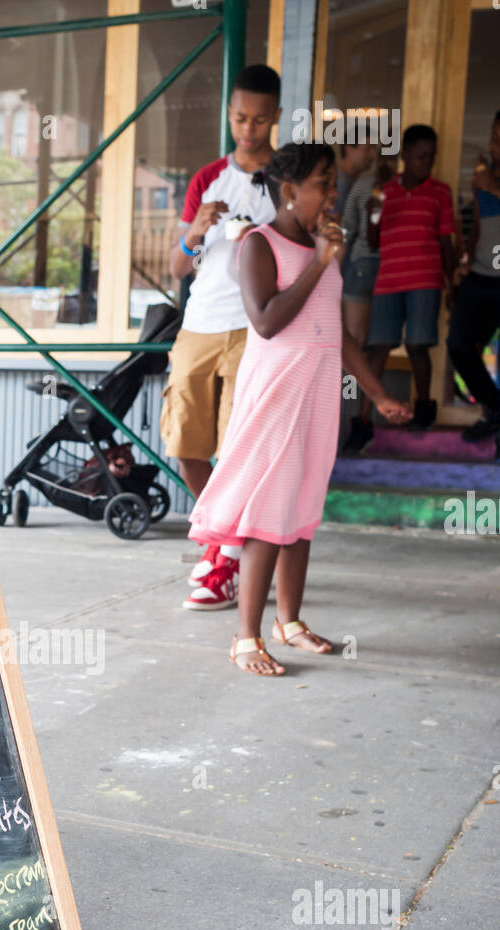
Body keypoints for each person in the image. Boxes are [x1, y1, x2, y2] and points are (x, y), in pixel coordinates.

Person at [187, 143, 410, 676]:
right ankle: (246, 638)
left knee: (302, 511)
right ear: (289, 191)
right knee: (268, 514)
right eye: (322, 184)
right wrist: (321, 263)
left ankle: (290, 622)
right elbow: (265, 321)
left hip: (316, 394)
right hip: (275, 393)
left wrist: (377, 394)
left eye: (333, 184)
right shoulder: (258, 246)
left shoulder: (320, 245)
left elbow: (335, 331)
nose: (332, 194)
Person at [162, 63, 281, 611]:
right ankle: (218, 535)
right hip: (198, 324)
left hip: (256, 328)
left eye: (259, 119)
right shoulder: (206, 178)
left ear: (276, 117)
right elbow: (177, 269)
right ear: (229, 114)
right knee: (184, 442)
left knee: (235, 448)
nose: (248, 129)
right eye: (239, 118)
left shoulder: (286, 180)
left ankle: (226, 559)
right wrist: (194, 232)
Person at [345, 124, 456, 452]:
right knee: (378, 349)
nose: (427, 163)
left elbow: (446, 241)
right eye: (421, 156)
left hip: (426, 280)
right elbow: (373, 239)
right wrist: (374, 211)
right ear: (405, 155)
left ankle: (423, 412)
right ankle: (362, 422)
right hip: (388, 281)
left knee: (418, 346)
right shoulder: (385, 191)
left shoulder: (440, 192)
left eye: (431, 157)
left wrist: (453, 283)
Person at [447, 111, 500, 443]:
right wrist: (464, 260)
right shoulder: (484, 179)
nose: (497, 145)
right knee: (460, 345)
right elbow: (478, 227)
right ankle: (494, 409)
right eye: (495, 137)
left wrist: (490, 186)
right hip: (480, 276)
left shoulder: (486, 181)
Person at [341, 154, 396, 348]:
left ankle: (351, 380)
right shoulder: (402, 185)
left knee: (354, 343)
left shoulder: (364, 180)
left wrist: (337, 262)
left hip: (362, 263)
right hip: (391, 269)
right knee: (377, 346)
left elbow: (347, 223)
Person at [333, 135, 376, 219]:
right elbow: (336, 221)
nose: (373, 155)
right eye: (367, 149)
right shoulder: (340, 183)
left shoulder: (357, 181)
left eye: (374, 149)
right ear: (348, 149)